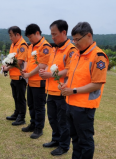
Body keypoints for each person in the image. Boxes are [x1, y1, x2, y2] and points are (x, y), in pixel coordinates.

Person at [59, 22, 109, 159]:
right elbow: (72, 75)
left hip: (84, 106)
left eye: (77, 39)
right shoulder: (76, 54)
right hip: (70, 103)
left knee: (85, 140)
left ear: (88, 36)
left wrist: (73, 91)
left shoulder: (98, 56)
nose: (74, 43)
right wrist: (65, 86)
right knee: (74, 138)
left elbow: (97, 84)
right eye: (73, 39)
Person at [39, 20, 76, 156]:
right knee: (52, 118)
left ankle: (64, 145)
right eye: (51, 34)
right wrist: (45, 73)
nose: (52, 37)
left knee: (63, 121)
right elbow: (50, 66)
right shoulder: (54, 49)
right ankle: (56, 140)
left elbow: (69, 70)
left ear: (64, 32)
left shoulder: (70, 49)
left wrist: (51, 74)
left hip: (62, 91)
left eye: (55, 34)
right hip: (50, 89)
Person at [21, 24, 51, 139]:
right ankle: (33, 124)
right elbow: (29, 61)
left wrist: (29, 74)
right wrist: (25, 69)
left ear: (38, 33)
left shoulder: (45, 46)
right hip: (31, 81)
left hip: (39, 81)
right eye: (28, 38)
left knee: (39, 107)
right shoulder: (31, 46)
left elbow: (42, 65)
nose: (29, 40)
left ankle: (39, 128)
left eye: (31, 37)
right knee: (31, 105)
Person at [2, 26, 28, 126]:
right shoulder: (14, 44)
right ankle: (17, 113)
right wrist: (5, 66)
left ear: (17, 34)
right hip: (13, 76)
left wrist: (7, 68)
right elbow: (10, 59)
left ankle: (21, 117)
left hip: (20, 76)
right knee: (15, 97)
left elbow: (19, 61)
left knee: (20, 98)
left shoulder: (22, 45)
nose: (10, 37)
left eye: (11, 35)